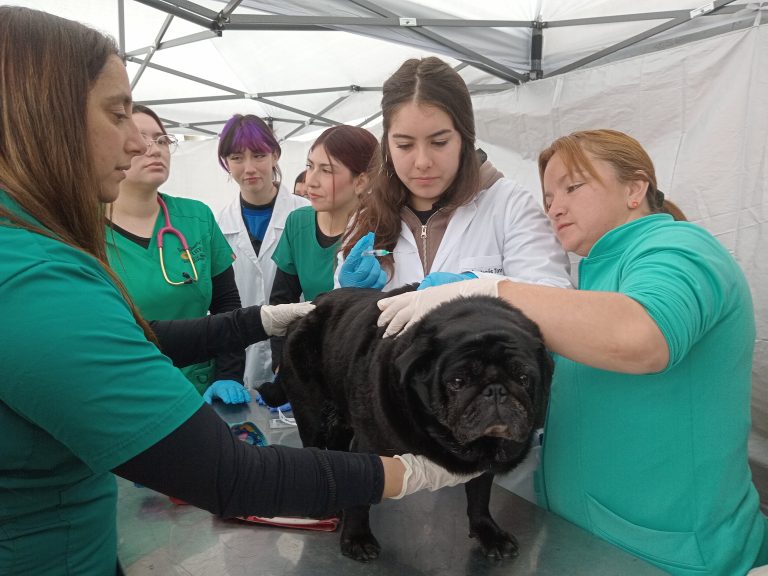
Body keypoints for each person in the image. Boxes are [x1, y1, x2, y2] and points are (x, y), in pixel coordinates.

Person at [0, 8, 481, 575]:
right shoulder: (34, 283)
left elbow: (143, 338)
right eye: (117, 114)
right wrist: (419, 470)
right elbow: (231, 476)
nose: (136, 143)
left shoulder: (29, 253)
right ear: (41, 118)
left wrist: (269, 319)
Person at [375, 129, 768, 575]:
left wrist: (491, 288)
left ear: (635, 189)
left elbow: (641, 337)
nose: (554, 207)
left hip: (669, 554)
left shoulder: (680, 249)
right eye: (547, 197)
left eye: (572, 187)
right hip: (592, 542)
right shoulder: (599, 276)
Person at [336, 56, 572, 292]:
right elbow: (337, 321)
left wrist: (480, 289)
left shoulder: (510, 205)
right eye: (405, 145)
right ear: (387, 143)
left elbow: (553, 294)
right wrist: (347, 297)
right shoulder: (367, 217)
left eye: (439, 142)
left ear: (465, 138)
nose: (422, 162)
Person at [106, 104, 247, 405]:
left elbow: (226, 304)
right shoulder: (82, 230)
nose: (154, 149)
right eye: (141, 138)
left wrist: (229, 374)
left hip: (201, 390)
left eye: (161, 140)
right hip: (126, 393)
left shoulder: (196, 217)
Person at [268, 125, 379, 370]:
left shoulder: (381, 231)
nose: (311, 181)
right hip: (312, 355)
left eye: (326, 171)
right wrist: (283, 366)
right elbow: (281, 303)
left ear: (360, 181)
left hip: (362, 361)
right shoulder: (298, 222)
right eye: (310, 166)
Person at [216, 114, 309, 389]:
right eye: (236, 158)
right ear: (226, 163)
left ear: (275, 155)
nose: (249, 168)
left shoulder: (306, 215)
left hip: (300, 350)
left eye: (258, 155)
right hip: (241, 360)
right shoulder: (218, 226)